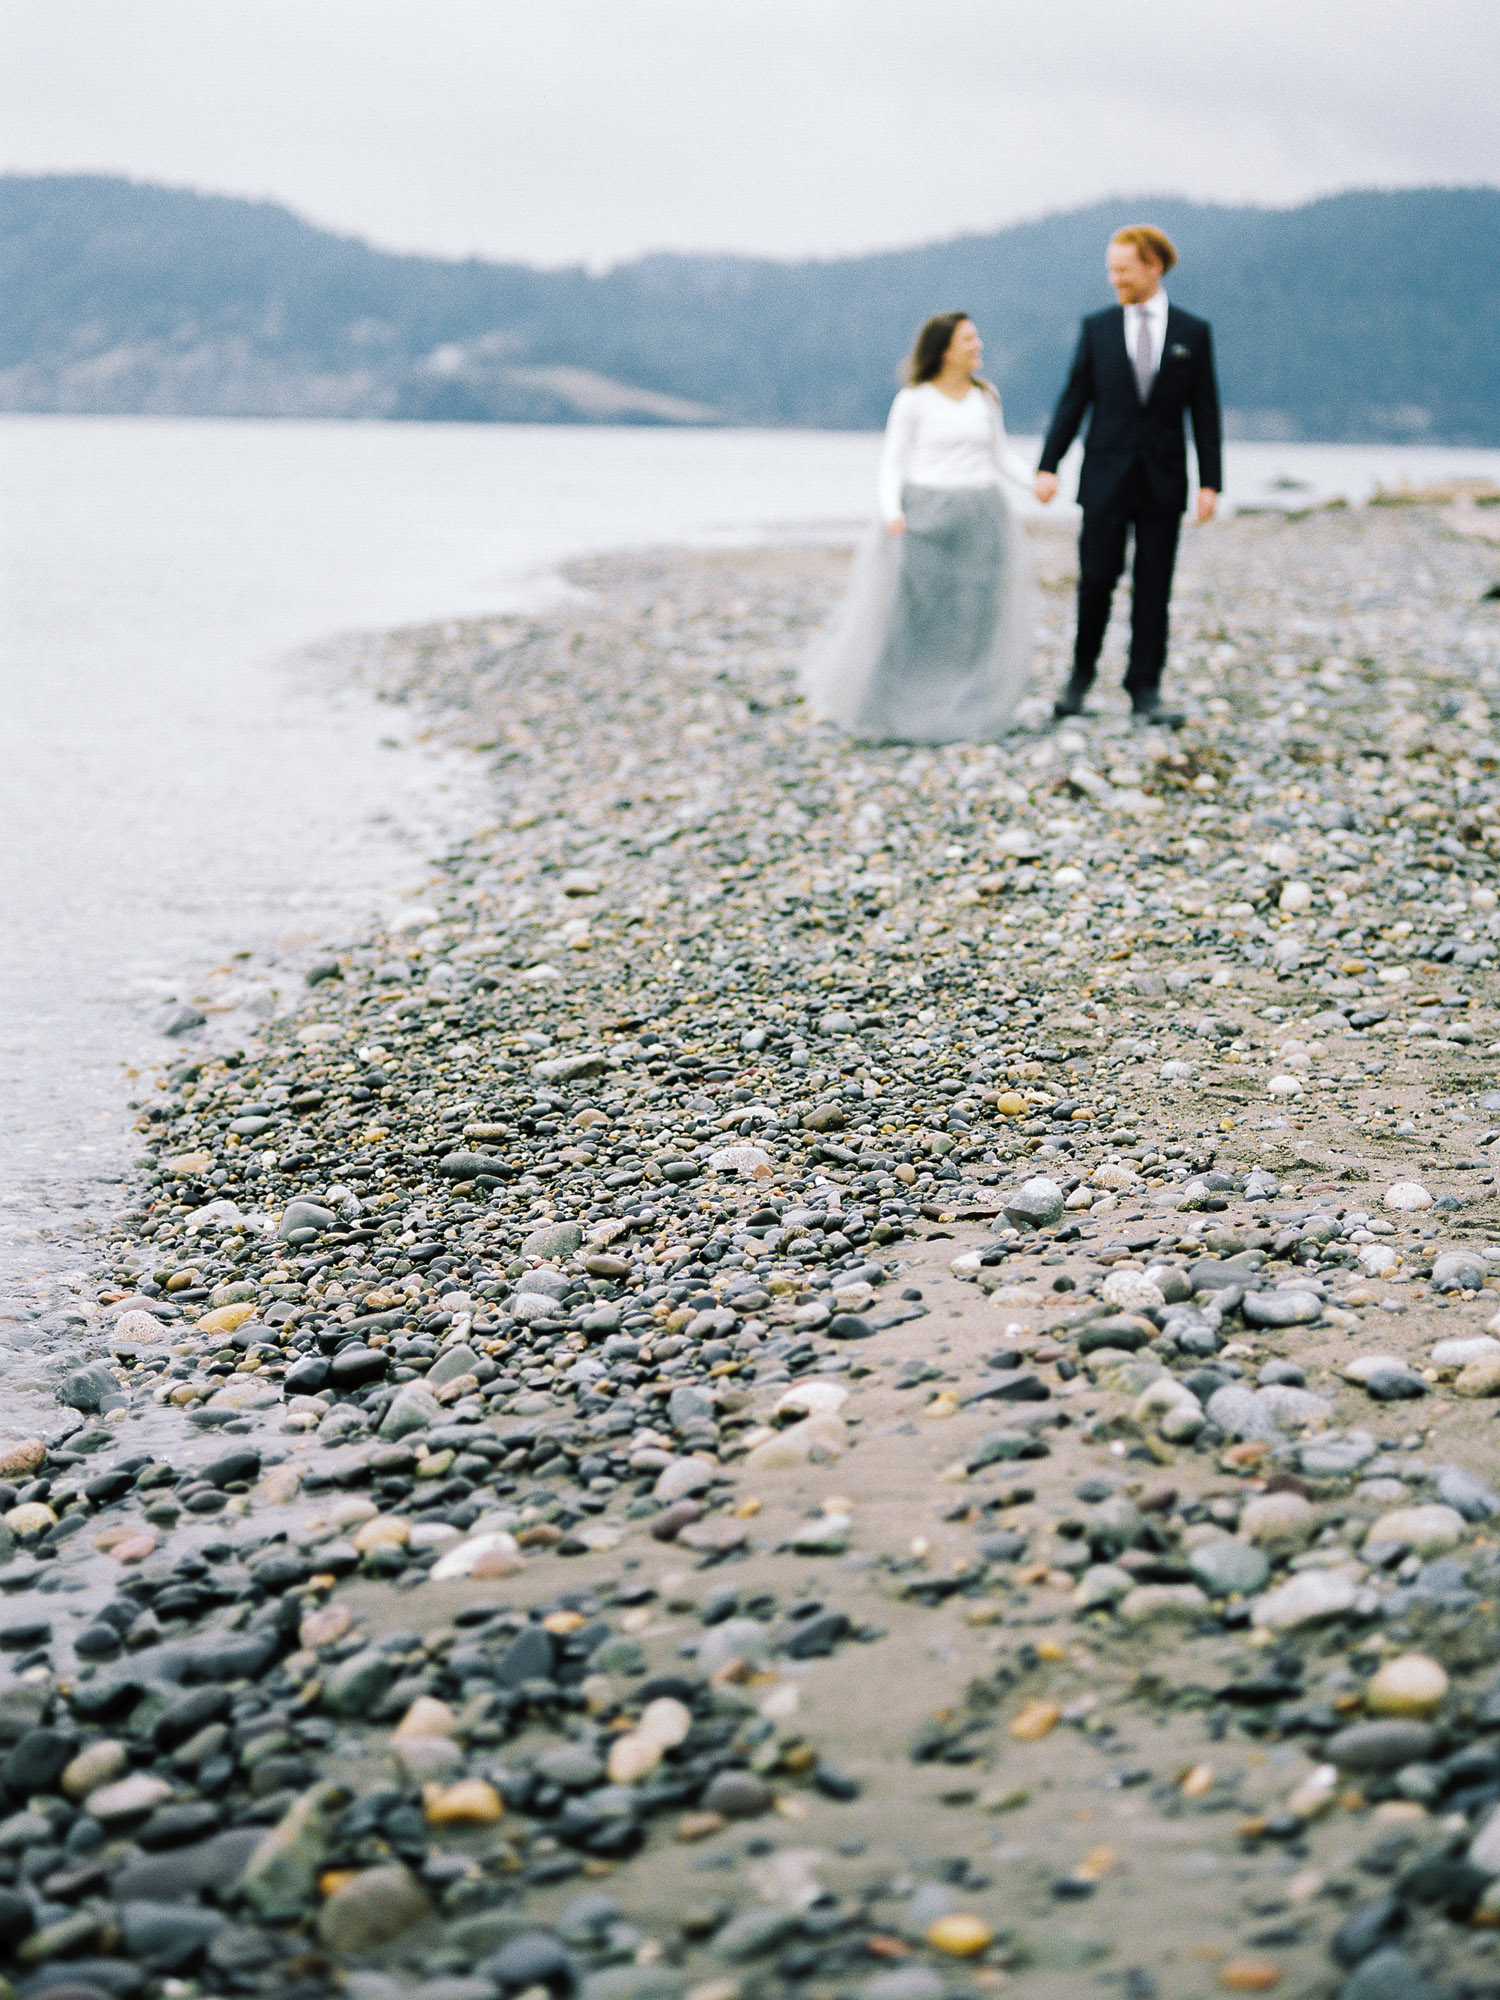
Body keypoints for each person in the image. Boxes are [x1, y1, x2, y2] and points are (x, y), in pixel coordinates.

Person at [800, 311, 1033, 743]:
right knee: (915, 614)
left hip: (983, 513)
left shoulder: (987, 396)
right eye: (969, 340)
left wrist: (1034, 482)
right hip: (926, 514)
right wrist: (892, 513)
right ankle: (896, 710)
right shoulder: (914, 399)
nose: (978, 345)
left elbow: (1001, 455)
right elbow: (892, 462)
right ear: (945, 349)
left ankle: (969, 709)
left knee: (977, 612)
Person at [1035, 225, 1222, 728]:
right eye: (1111, 268)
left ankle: (1145, 687)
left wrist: (1211, 482)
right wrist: (1048, 465)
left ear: (1152, 266)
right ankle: (1079, 678)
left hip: (1163, 480)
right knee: (1095, 580)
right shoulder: (1096, 328)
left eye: (1122, 269)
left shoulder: (1192, 332)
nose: (1114, 278)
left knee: (1153, 586)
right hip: (1104, 475)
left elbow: (1205, 411)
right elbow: (1073, 400)